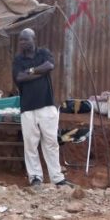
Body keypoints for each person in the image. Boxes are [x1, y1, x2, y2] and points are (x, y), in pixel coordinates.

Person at [13, 28, 73, 188]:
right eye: (20, 40)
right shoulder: (18, 60)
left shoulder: (43, 53)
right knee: (30, 144)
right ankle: (35, 178)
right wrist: (40, 72)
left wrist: (31, 71)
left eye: (25, 39)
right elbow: (19, 77)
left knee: (51, 142)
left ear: (34, 39)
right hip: (27, 109)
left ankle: (57, 177)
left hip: (47, 106)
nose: (22, 43)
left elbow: (49, 65)